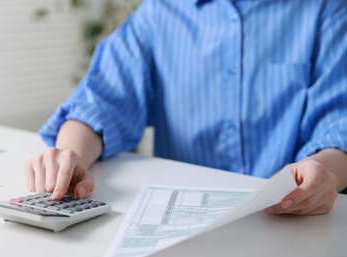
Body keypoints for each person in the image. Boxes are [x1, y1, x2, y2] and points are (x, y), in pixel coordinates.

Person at [25, 0, 347, 215]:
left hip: (289, 226)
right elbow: (102, 99)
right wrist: (70, 155)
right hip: (182, 227)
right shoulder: (158, 12)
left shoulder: (327, 10)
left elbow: (339, 125)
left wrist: (321, 174)